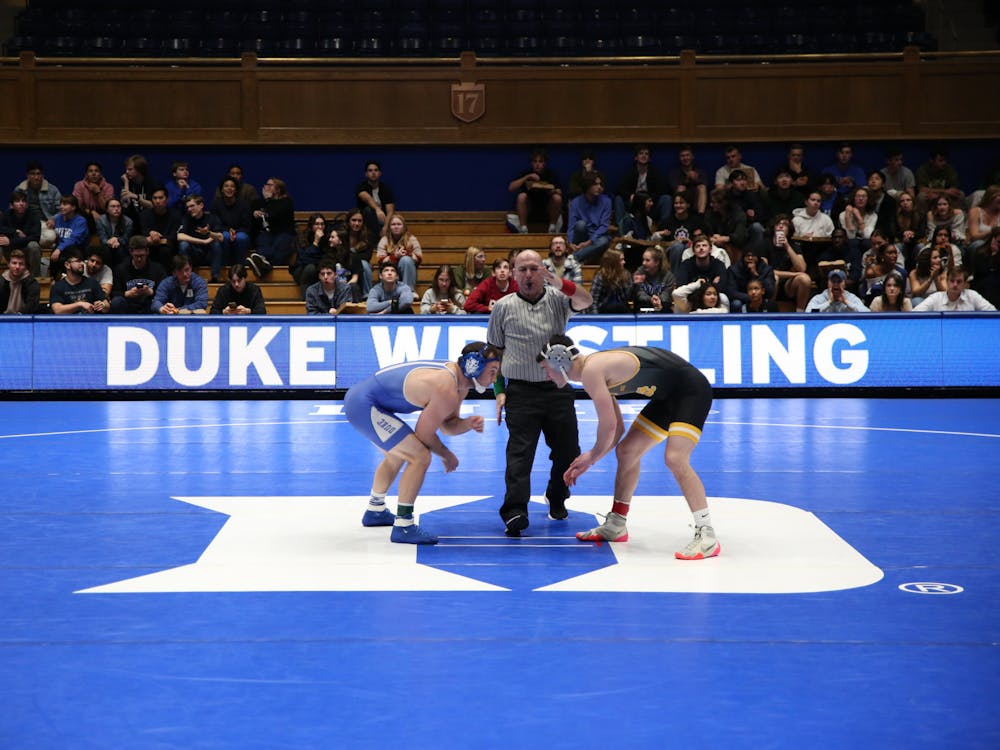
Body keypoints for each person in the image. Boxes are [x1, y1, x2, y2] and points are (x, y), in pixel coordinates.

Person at [536, 335, 720, 560]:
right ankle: (617, 524)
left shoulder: (591, 371)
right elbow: (618, 428)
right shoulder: (593, 369)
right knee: (627, 451)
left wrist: (592, 457)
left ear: (559, 360)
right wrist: (592, 458)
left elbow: (609, 424)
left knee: (675, 459)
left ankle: (707, 534)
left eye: (546, 368)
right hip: (668, 396)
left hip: (691, 391)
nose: (546, 375)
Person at [343, 342, 503, 544]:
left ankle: (376, 510)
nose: (495, 378)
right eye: (493, 371)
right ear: (474, 366)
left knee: (397, 455)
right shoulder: (446, 386)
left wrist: (467, 424)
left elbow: (448, 425)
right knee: (419, 456)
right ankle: (403, 525)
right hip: (363, 404)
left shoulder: (458, 383)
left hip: (365, 400)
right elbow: (424, 433)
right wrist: (446, 454)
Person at [487, 249, 593, 536]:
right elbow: (495, 352)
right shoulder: (503, 307)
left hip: (557, 388)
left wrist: (561, 283)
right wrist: (499, 392)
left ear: (543, 271)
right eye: (522, 269)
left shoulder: (558, 300)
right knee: (519, 454)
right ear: (513, 272)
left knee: (568, 451)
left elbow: (586, 300)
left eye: (534, 269)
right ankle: (515, 511)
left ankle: (557, 496)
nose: (529, 275)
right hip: (520, 391)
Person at [613, 144, 672, 230]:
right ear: (636, 157)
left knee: (666, 198)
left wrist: (649, 199)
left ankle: (664, 229)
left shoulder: (654, 172)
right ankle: (620, 229)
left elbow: (663, 190)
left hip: (650, 205)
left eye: (646, 154)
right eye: (641, 153)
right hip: (634, 205)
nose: (644, 155)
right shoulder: (631, 171)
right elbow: (618, 189)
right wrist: (631, 196)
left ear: (649, 158)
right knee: (618, 199)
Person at [508, 147, 562, 233]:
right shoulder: (526, 173)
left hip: (546, 208)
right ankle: (523, 229)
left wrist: (552, 191)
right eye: (535, 161)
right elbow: (511, 187)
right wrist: (526, 178)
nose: (537, 164)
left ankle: (552, 228)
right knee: (521, 196)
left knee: (557, 197)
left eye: (540, 161)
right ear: (531, 163)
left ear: (545, 163)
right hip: (529, 209)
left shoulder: (551, 174)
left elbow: (560, 192)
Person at [249, 177, 297, 274]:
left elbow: (274, 214)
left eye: (270, 185)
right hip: (268, 233)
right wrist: (255, 213)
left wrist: (268, 200)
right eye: (266, 184)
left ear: (278, 189)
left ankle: (264, 266)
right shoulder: (260, 202)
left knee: (280, 244)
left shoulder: (287, 201)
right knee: (262, 240)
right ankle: (263, 264)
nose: (266, 187)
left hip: (284, 232)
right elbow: (255, 216)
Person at [110, 236, 167, 314]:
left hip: (149, 305)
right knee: (117, 302)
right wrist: (127, 294)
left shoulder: (158, 269)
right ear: (131, 252)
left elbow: (165, 291)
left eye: (142, 256)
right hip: (128, 305)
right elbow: (114, 292)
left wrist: (151, 292)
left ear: (147, 251)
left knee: (159, 303)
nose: (139, 259)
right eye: (136, 256)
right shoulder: (120, 269)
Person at [14, 160, 62, 251]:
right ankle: (34, 242)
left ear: (42, 175)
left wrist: (54, 219)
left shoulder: (52, 190)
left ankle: (30, 241)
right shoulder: (19, 189)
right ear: (27, 175)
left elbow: (62, 209)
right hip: (25, 223)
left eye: (38, 174)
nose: (36, 177)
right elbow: (12, 209)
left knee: (50, 238)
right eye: (32, 174)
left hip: (45, 223)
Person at [177, 195, 225, 282]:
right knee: (183, 245)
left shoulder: (212, 218)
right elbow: (179, 236)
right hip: (194, 254)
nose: (189, 209)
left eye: (192, 206)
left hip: (210, 254)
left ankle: (215, 277)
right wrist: (203, 241)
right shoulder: (186, 218)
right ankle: (186, 276)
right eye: (188, 207)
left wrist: (208, 233)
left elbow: (221, 237)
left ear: (201, 205)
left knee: (216, 244)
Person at [49, 247, 109, 315]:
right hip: (68, 324)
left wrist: (102, 305)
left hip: (90, 323)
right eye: (78, 261)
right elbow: (58, 310)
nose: (82, 264)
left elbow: (107, 306)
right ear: (67, 265)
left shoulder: (92, 283)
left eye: (82, 261)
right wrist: (79, 304)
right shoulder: (58, 287)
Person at [568, 172, 613, 262]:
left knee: (604, 241)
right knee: (580, 224)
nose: (599, 187)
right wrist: (570, 243)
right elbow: (572, 225)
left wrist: (590, 241)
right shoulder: (575, 202)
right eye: (595, 184)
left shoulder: (606, 201)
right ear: (587, 186)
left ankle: (574, 258)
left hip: (597, 236)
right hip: (582, 235)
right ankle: (582, 255)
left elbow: (604, 226)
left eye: (600, 184)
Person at [211, 176, 253, 271]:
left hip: (240, 231)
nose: (229, 188)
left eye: (232, 186)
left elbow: (247, 225)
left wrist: (235, 231)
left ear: (236, 190)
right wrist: (227, 230)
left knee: (241, 238)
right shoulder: (216, 204)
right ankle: (225, 267)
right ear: (222, 189)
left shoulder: (244, 204)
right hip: (222, 231)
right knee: (224, 237)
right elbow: (215, 224)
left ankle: (240, 268)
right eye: (226, 186)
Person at [658, 191, 707, 271]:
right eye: (676, 203)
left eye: (681, 203)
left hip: (690, 248)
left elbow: (704, 239)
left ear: (688, 205)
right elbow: (659, 242)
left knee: (687, 247)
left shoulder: (696, 221)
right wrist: (672, 241)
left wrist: (690, 241)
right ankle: (676, 278)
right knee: (678, 247)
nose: (678, 205)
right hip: (672, 250)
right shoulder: (667, 221)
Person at [913, 265, 996, 312]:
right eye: (952, 281)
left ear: (964, 284)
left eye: (959, 281)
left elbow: (993, 312)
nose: (955, 284)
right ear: (947, 281)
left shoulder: (973, 296)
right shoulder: (936, 298)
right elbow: (915, 314)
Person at [0, 190, 42, 277]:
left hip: (26, 250)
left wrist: (11, 241)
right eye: (17, 201)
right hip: (10, 250)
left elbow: (35, 237)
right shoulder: (6, 214)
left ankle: (35, 278)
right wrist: (16, 232)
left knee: (34, 245)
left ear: (26, 204)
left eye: (23, 201)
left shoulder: (34, 215)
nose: (21, 203)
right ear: (12, 205)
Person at [375, 213, 422, 291]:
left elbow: (419, 259)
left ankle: (408, 291)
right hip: (389, 274)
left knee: (406, 260)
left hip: (407, 274)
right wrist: (395, 257)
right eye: (393, 224)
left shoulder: (412, 239)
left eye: (399, 224)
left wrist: (407, 254)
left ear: (404, 227)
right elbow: (380, 261)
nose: (396, 227)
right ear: (389, 227)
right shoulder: (384, 240)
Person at [139, 187, 182, 270]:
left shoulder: (175, 215)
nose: (157, 201)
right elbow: (144, 235)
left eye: (160, 198)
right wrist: (155, 237)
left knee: (164, 251)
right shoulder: (144, 215)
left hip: (169, 247)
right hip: (149, 246)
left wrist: (158, 238)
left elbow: (173, 236)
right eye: (155, 198)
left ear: (167, 199)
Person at [51, 195, 90, 278]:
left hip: (78, 249)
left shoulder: (81, 221)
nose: (61, 206)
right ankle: (54, 279)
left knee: (64, 256)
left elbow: (73, 239)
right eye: (61, 204)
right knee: (53, 255)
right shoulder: (58, 218)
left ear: (73, 207)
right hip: (62, 248)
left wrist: (59, 249)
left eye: (65, 204)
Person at [915, 148, 965, 214]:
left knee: (960, 194)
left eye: (945, 160)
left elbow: (953, 189)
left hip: (946, 196)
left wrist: (940, 195)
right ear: (932, 160)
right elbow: (921, 189)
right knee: (921, 197)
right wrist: (943, 191)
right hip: (931, 195)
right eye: (940, 161)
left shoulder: (949, 170)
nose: (944, 163)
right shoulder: (923, 170)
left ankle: (957, 218)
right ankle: (923, 221)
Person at [355, 160, 396, 237]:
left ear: (380, 173)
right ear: (366, 174)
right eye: (370, 170)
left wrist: (385, 227)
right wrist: (377, 209)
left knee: (396, 219)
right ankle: (374, 242)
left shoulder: (385, 189)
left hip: (383, 221)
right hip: (366, 222)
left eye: (376, 170)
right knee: (368, 210)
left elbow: (390, 211)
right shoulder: (361, 186)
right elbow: (365, 196)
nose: (373, 173)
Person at [727, 247, 775, 311]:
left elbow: (769, 291)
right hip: (742, 298)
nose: (750, 258)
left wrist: (756, 275)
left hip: (761, 299)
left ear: (758, 257)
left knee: (770, 304)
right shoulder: (734, 269)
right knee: (736, 304)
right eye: (747, 256)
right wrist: (751, 297)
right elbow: (731, 292)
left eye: (753, 255)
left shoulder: (767, 269)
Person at [666, 144, 709, 214]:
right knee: (681, 188)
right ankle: (681, 215)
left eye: (687, 155)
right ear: (679, 158)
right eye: (682, 156)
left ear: (692, 157)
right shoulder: (674, 173)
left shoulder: (700, 172)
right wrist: (687, 179)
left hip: (696, 200)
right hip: (681, 201)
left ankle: (700, 216)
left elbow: (705, 184)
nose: (685, 158)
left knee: (702, 187)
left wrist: (696, 179)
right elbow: (673, 187)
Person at [588, 247, 632, 314]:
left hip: (621, 311)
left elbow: (628, 297)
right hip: (603, 311)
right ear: (614, 262)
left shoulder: (626, 275)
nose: (624, 262)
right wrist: (596, 319)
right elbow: (593, 302)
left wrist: (635, 286)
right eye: (621, 260)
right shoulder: (600, 277)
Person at [119, 154, 161, 224]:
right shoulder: (126, 181)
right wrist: (126, 183)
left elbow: (154, 206)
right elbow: (125, 205)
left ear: (139, 170)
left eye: (130, 169)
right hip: (132, 221)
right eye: (126, 169)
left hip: (149, 220)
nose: (126, 172)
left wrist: (137, 197)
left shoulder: (152, 183)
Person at [632, 246, 675, 313]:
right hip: (642, 309)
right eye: (643, 260)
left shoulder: (668, 276)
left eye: (647, 260)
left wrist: (659, 299)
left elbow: (667, 295)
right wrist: (651, 299)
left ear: (657, 262)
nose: (643, 263)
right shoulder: (639, 273)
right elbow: (639, 294)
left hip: (662, 307)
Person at [805, 268, 870, 313]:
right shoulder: (819, 298)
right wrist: (828, 302)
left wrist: (846, 302)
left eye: (839, 281)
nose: (836, 284)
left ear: (845, 284)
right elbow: (808, 313)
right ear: (828, 283)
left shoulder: (851, 298)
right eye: (833, 281)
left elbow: (867, 313)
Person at [71, 161, 114, 227]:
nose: (93, 173)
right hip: (86, 213)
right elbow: (76, 206)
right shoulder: (79, 185)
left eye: (96, 171)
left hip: (103, 214)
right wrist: (91, 212)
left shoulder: (108, 187)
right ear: (86, 174)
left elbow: (107, 209)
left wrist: (98, 193)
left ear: (100, 174)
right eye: (90, 171)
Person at [95, 197, 134, 267]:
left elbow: (125, 238)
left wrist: (117, 239)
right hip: (106, 245)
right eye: (113, 206)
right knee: (106, 250)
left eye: (118, 206)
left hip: (122, 246)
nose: (116, 209)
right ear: (107, 209)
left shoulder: (128, 222)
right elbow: (102, 237)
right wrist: (109, 242)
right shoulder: (101, 220)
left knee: (120, 250)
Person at [345, 207, 376, 295]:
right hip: (344, 265)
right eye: (354, 220)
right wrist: (354, 250)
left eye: (359, 221)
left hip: (360, 268)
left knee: (365, 264)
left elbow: (367, 256)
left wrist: (351, 254)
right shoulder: (343, 234)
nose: (357, 223)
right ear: (348, 221)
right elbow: (341, 254)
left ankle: (367, 295)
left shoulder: (368, 236)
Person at [0, 249, 41, 314]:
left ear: (25, 266)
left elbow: (32, 306)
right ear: (8, 264)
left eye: (21, 264)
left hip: (24, 319)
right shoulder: (1, 281)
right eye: (14, 263)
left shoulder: (32, 283)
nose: (17, 267)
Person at [970, 227, 1000, 308]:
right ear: (992, 239)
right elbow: (982, 271)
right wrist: (994, 255)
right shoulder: (980, 252)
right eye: (999, 242)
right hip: (982, 285)